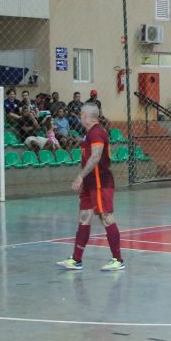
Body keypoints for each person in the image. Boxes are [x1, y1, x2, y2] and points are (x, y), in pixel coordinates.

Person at [57, 103, 125, 272]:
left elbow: (96, 157)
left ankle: (118, 260)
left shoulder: (97, 132)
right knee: (84, 217)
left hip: (100, 182)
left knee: (106, 217)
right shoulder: (89, 133)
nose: (80, 117)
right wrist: (84, 179)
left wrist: (80, 176)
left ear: (85, 116)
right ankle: (76, 259)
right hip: (90, 183)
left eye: (81, 114)